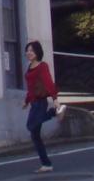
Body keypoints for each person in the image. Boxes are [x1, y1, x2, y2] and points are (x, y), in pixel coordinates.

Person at [21, 40, 66, 173]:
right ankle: (46, 164)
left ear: (37, 52)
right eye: (27, 50)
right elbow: (31, 88)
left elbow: (48, 83)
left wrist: (55, 99)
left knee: (31, 125)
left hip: (40, 102)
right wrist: (26, 101)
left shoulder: (42, 66)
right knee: (35, 135)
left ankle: (54, 112)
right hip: (34, 102)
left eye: (31, 50)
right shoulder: (30, 67)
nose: (29, 53)